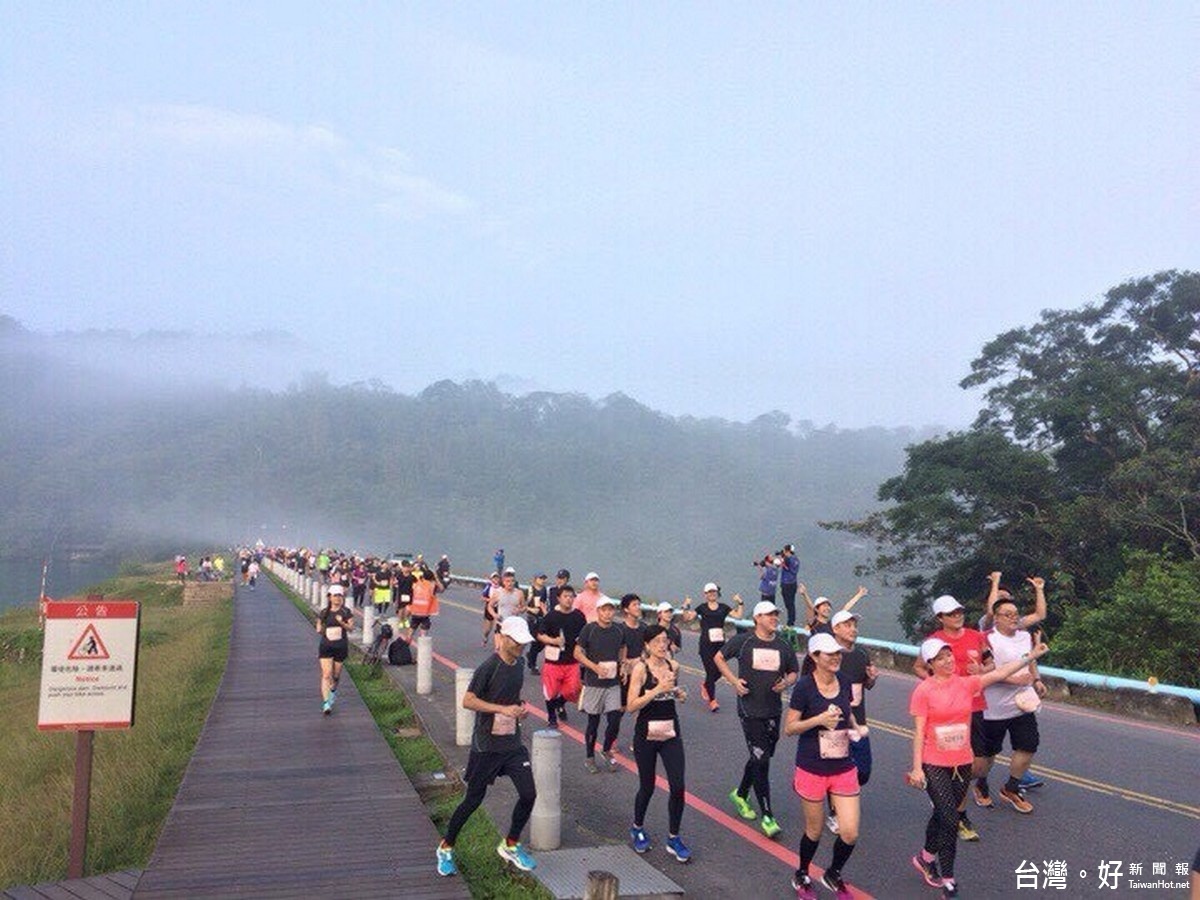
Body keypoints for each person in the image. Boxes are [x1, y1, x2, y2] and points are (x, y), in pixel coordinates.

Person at [908, 634, 1051, 898]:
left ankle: (925, 857)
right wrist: (916, 768)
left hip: (962, 762)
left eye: (949, 655)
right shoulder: (924, 690)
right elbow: (918, 733)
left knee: (942, 814)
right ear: (930, 663)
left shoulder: (966, 684)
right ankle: (949, 879)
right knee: (950, 819)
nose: (948, 660)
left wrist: (1031, 656)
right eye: (941, 658)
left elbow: (1001, 672)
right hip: (933, 762)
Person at [436, 616, 538, 877]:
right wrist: (500, 709)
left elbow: (511, 697)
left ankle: (510, 844)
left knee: (529, 794)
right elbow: (468, 701)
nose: (522, 647)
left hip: (512, 743)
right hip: (487, 745)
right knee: (473, 799)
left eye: (525, 643)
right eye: (518, 642)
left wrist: (519, 709)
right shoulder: (488, 667)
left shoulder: (520, 664)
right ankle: (446, 847)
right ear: (503, 638)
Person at [785, 633, 863, 900]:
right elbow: (790, 728)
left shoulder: (843, 680)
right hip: (811, 768)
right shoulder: (804, 687)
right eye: (830, 654)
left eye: (838, 653)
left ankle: (833, 873)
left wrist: (854, 727)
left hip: (843, 766)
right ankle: (802, 874)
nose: (836, 657)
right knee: (815, 830)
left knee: (850, 832)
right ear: (815, 657)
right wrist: (818, 719)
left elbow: (847, 711)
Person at [714, 600, 800, 838]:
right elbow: (719, 658)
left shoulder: (783, 645)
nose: (774, 618)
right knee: (762, 761)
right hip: (749, 708)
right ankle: (768, 816)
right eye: (770, 615)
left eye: (776, 615)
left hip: (773, 710)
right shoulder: (743, 642)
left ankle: (740, 794)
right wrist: (733, 681)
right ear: (757, 618)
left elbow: (794, 670)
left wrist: (787, 682)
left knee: (761, 756)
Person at [913, 594, 993, 842]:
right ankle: (959, 814)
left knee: (977, 766)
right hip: (944, 713)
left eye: (959, 611)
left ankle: (952, 799)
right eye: (951, 613)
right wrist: (936, 687)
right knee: (949, 765)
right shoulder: (934, 642)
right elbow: (918, 667)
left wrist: (981, 671)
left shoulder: (976, 636)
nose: (958, 616)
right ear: (940, 618)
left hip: (973, 706)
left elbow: (991, 665)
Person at [975, 591, 1048, 813]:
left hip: (1022, 705)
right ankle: (980, 784)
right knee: (987, 756)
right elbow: (984, 671)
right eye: (1007, 614)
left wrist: (1036, 680)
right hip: (993, 708)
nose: (1013, 618)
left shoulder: (1024, 636)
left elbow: (1030, 659)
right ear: (996, 617)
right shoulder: (986, 638)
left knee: (1028, 745)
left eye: (1015, 614)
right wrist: (1012, 680)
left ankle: (1011, 788)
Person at [626, 624, 691, 863]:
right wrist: (657, 690)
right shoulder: (641, 669)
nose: (663, 645)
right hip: (646, 734)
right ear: (647, 645)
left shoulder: (674, 666)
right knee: (648, 786)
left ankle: (673, 838)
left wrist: (678, 694)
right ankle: (637, 827)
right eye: (657, 641)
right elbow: (632, 705)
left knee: (678, 786)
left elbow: (671, 693)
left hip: (670, 732)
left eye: (665, 641)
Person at [824, 610, 877, 835]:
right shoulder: (827, 654)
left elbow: (866, 686)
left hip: (858, 724)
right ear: (835, 629)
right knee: (837, 769)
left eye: (854, 625)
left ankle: (840, 794)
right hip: (834, 724)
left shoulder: (862, 654)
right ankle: (836, 812)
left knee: (863, 772)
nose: (853, 629)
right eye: (847, 625)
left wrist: (872, 679)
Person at [575, 595, 627, 772]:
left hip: (613, 684)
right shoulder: (589, 630)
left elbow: (623, 647)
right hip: (594, 683)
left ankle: (605, 750)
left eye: (610, 609)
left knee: (614, 720)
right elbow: (577, 653)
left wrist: (623, 664)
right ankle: (589, 757)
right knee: (593, 723)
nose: (607, 613)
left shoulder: (619, 630)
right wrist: (594, 667)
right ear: (598, 611)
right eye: (604, 609)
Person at [681, 583, 743, 712]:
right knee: (710, 672)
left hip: (720, 644)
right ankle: (712, 700)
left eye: (713, 591)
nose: (712, 593)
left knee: (719, 672)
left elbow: (738, 616)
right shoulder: (702, 608)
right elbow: (687, 618)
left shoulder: (724, 607)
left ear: (717, 593)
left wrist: (740, 603)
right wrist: (686, 605)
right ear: (705, 595)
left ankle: (705, 685)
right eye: (709, 592)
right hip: (706, 644)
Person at [538, 584, 586, 728]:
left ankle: (559, 703)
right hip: (553, 661)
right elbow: (540, 635)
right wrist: (553, 641)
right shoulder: (551, 616)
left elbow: (585, 634)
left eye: (571, 596)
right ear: (558, 598)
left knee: (573, 690)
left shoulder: (578, 615)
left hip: (572, 660)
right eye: (565, 596)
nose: (569, 599)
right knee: (550, 692)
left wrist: (582, 643)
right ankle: (552, 717)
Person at [317, 584, 354, 714]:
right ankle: (326, 703)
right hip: (326, 646)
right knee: (326, 675)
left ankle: (332, 691)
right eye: (335, 596)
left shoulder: (346, 611)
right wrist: (321, 629)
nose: (338, 598)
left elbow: (351, 628)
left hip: (341, 646)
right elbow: (319, 628)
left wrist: (342, 623)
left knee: (336, 676)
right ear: (329, 597)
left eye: (340, 596)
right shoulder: (324, 612)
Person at [800, 584, 868, 636]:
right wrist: (805, 594)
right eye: (824, 606)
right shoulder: (813, 622)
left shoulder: (832, 624)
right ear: (817, 610)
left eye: (829, 606)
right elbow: (810, 608)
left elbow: (845, 609)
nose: (827, 608)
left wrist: (859, 595)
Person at [490, 568, 526, 650]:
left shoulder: (519, 593)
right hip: (501, 624)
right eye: (507, 581)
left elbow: (524, 607)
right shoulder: (498, 593)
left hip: (513, 625)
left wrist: (520, 610)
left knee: (511, 649)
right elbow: (490, 606)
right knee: (499, 649)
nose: (510, 583)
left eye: (512, 581)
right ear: (503, 582)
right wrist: (494, 615)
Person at [525, 573, 549, 672]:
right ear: (535, 579)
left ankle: (530, 655)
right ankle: (533, 665)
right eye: (540, 578)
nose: (542, 580)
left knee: (543, 642)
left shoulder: (545, 591)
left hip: (542, 619)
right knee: (535, 641)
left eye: (544, 578)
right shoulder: (530, 591)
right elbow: (522, 606)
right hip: (532, 619)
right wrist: (531, 609)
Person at [408, 563, 442, 634]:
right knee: (423, 634)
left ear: (423, 577)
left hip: (415, 612)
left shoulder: (416, 584)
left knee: (411, 630)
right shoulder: (432, 586)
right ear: (432, 578)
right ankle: (422, 643)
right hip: (425, 613)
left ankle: (405, 643)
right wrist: (436, 578)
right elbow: (441, 589)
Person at [780, 544, 801, 627]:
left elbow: (780, 563)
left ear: (787, 551)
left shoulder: (787, 560)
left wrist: (782, 558)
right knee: (792, 603)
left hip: (787, 584)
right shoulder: (796, 559)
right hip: (793, 583)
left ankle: (790, 622)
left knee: (788, 604)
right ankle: (792, 621)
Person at [480, 572, 501, 645]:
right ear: (491, 579)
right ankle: (485, 637)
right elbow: (482, 598)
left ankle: (498, 644)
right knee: (488, 629)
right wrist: (491, 600)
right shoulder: (488, 587)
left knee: (498, 627)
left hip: (498, 608)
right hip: (489, 608)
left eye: (497, 578)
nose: (496, 579)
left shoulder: (501, 588)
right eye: (494, 578)